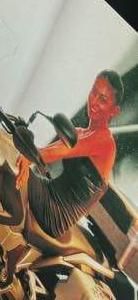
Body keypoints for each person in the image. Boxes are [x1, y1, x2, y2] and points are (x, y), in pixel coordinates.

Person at [16, 70, 123, 237]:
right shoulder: (80, 132)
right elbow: (46, 152)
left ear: (114, 110)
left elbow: (64, 150)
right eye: (94, 91)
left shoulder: (106, 142)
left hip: (56, 214)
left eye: (103, 99)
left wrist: (28, 156)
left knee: (9, 167)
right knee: (8, 155)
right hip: (48, 189)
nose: (94, 101)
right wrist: (26, 149)